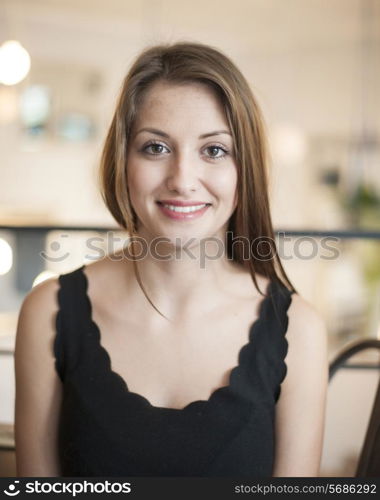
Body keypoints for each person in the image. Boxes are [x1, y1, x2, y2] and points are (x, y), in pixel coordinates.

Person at [14, 41, 328, 477]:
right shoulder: (47, 312)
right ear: (122, 161)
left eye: (214, 150)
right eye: (156, 148)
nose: (182, 180)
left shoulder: (300, 331)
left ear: (245, 169)